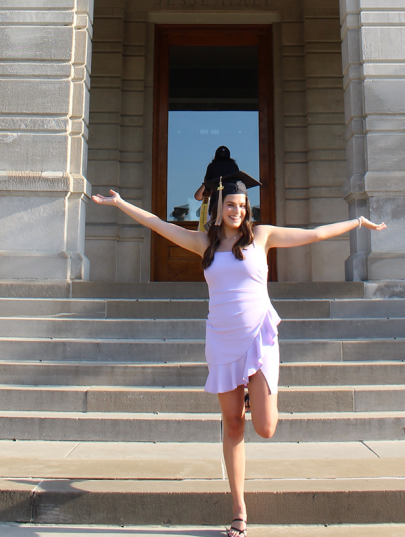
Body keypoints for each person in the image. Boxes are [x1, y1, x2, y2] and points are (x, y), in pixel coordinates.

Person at [92, 180, 386, 537]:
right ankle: (239, 510)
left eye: (243, 205)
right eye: (232, 205)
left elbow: (315, 234)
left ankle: (254, 393)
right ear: (219, 208)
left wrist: (357, 223)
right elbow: (161, 225)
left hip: (258, 339)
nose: (238, 211)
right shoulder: (205, 243)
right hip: (222, 340)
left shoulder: (262, 236)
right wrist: (122, 204)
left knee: (265, 427)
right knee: (233, 424)